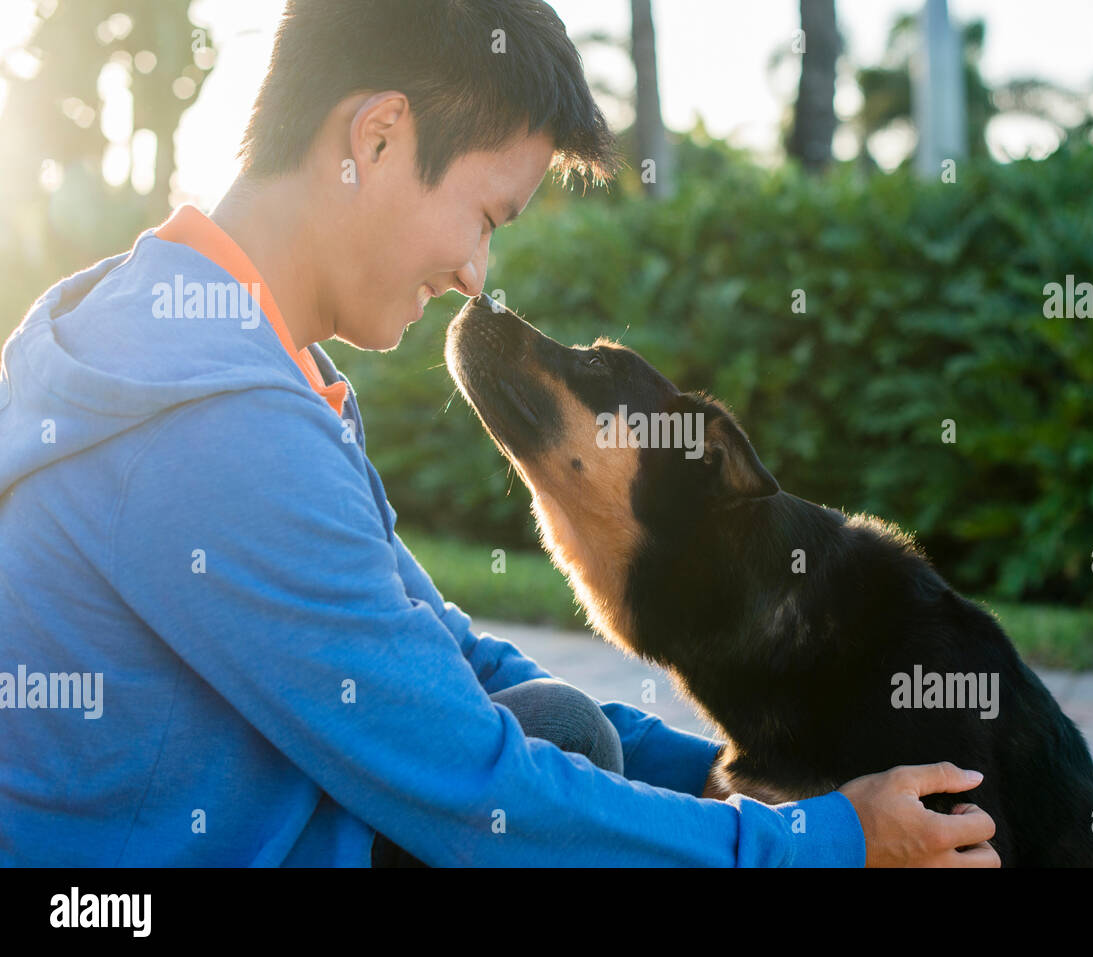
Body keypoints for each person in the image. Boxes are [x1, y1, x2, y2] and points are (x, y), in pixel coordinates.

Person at [0, 0, 998, 868]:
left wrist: (739, 778)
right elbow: (477, 796)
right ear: (379, 137)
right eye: (486, 215)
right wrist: (821, 846)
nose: (476, 275)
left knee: (565, 731)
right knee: (563, 809)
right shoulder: (218, 428)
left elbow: (445, 658)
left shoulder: (181, 333)